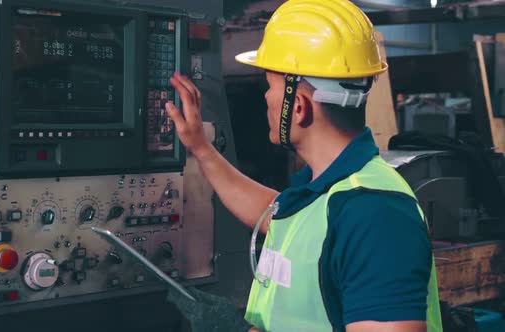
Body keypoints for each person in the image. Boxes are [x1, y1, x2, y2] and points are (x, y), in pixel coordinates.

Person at [165, 0, 443, 331]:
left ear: (297, 107)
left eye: (269, 87)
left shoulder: (375, 214)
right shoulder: (331, 195)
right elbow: (278, 217)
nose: (265, 98)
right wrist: (201, 147)